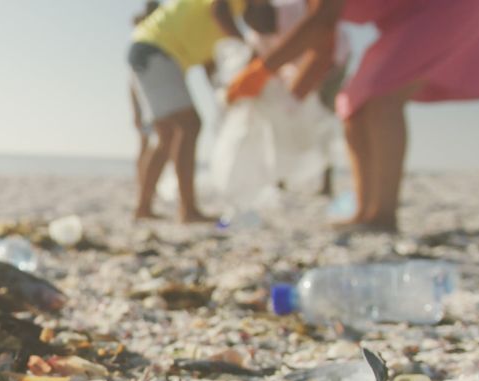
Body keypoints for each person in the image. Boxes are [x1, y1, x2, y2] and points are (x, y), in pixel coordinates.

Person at [228, 0, 479, 232]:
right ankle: (365, 211)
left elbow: (322, 22)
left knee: (382, 98)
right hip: (405, 19)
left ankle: (383, 215)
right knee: (352, 104)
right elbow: (323, 47)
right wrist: (288, 101)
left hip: (444, 8)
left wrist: (262, 70)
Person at [128, 0, 274, 223]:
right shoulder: (231, 8)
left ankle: (143, 207)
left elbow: (210, 67)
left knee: (167, 135)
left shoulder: (219, 28)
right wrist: (246, 49)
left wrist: (225, 97)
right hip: (155, 49)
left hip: (147, 49)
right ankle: (187, 210)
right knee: (189, 125)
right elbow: (219, 10)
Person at [242, 0, 350, 195]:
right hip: (294, 69)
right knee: (280, 119)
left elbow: (324, 43)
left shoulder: (297, 12)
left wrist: (303, 90)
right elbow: (257, 62)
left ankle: (326, 181)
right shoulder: (257, 31)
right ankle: (280, 178)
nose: (264, 32)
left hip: (333, 61)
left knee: (323, 119)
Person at [129, 1, 162, 191]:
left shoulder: (144, 36)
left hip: (150, 94)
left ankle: (145, 184)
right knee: (149, 141)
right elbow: (132, 82)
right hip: (146, 95)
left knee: (148, 142)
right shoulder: (145, 39)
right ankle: (143, 184)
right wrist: (135, 109)